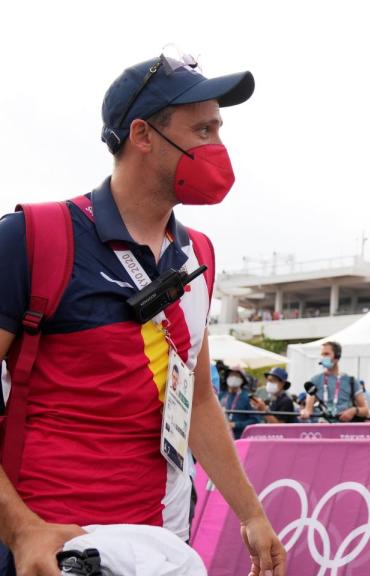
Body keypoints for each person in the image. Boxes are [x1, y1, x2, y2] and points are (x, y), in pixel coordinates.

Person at [0, 48, 284, 575]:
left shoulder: (199, 254)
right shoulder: (31, 238)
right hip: (50, 547)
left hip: (159, 544)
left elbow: (197, 400)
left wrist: (251, 514)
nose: (218, 149)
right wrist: (21, 531)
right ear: (143, 135)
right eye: (203, 131)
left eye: (219, 131)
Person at [300, 342, 370, 422]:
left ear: (337, 356)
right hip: (321, 429)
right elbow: (307, 410)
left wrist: (354, 411)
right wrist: (304, 412)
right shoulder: (315, 380)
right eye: (322, 355)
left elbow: (365, 410)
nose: (323, 357)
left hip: (344, 431)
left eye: (326, 354)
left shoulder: (351, 381)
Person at [220, 365, 260, 439]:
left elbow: (255, 420)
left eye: (237, 376)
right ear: (227, 378)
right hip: (222, 437)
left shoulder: (249, 398)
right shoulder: (221, 395)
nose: (234, 378)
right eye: (231, 375)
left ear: (242, 380)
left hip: (241, 439)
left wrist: (235, 425)